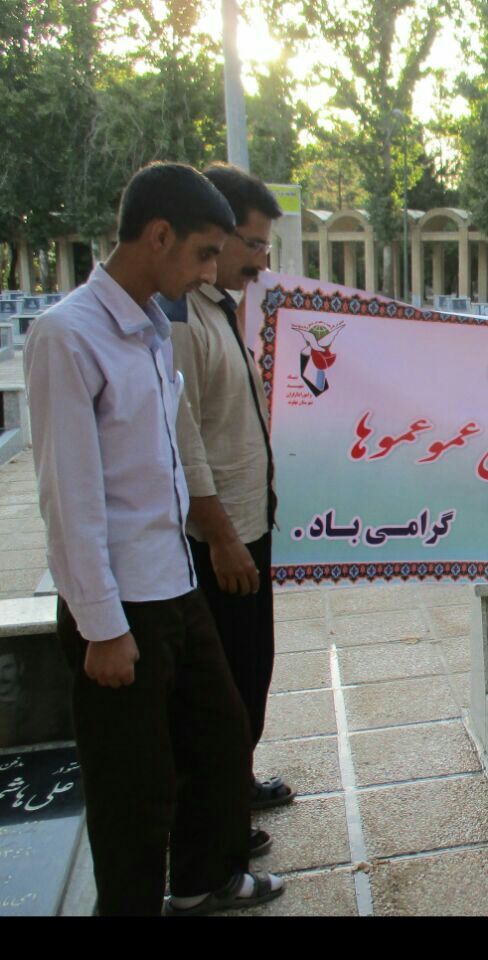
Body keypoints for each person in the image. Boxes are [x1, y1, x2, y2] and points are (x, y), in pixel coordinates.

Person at [23, 162, 283, 915]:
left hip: (174, 583)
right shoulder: (67, 337)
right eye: (206, 253)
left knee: (220, 734)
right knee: (133, 793)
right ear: (159, 235)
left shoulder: (147, 328)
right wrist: (104, 629)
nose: (214, 269)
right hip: (120, 604)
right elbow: (69, 500)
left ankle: (205, 879)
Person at [157, 164, 293, 845]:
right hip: (220, 540)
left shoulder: (226, 310)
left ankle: (234, 785)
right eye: (250, 243)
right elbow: (183, 443)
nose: (260, 259)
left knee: (252, 671)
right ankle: (216, 827)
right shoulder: (181, 320)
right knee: (221, 689)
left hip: (250, 522)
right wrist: (221, 537)